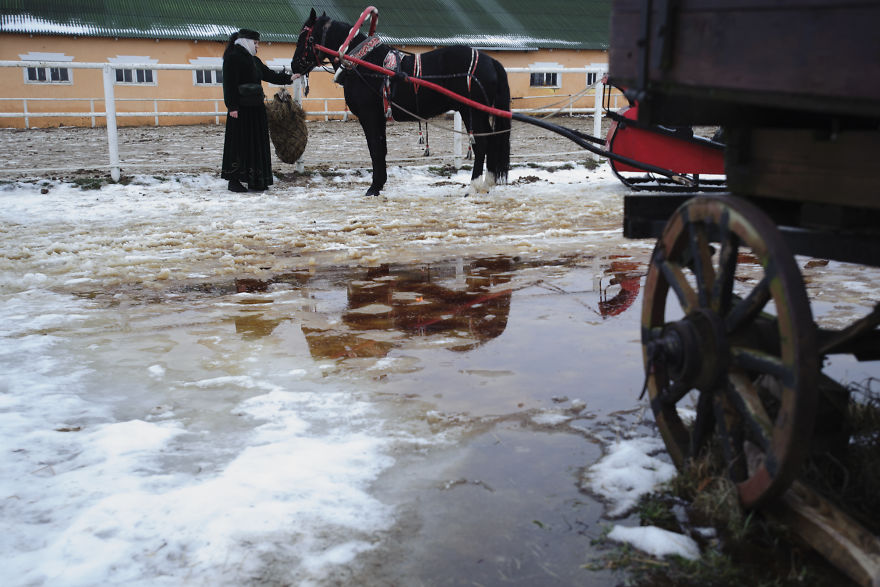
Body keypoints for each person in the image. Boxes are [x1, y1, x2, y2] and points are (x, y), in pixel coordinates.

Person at [221, 28, 293, 192]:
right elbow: (229, 84)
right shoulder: (232, 58)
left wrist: (290, 78)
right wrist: (232, 106)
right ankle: (234, 181)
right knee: (239, 144)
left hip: (256, 110)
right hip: (240, 110)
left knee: (256, 144)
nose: (257, 46)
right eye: (255, 43)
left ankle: (257, 180)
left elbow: (270, 75)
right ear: (246, 41)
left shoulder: (255, 61)